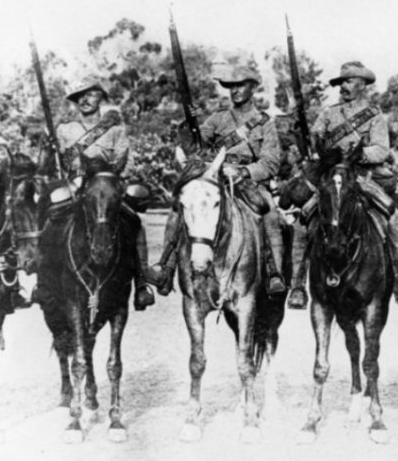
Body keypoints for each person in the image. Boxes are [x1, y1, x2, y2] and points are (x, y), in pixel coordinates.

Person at [286, 61, 398, 308]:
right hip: (332, 176)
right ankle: (298, 285)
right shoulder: (328, 113)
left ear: (362, 85)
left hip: (362, 177)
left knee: (395, 217)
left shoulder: (375, 115)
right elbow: (316, 141)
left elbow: (381, 149)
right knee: (303, 220)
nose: (343, 87)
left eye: (349, 81)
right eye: (342, 82)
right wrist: (305, 132)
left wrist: (358, 154)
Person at [153, 65, 287, 296]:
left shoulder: (265, 123)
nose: (235, 91)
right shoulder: (218, 118)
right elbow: (195, 145)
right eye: (231, 86)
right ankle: (165, 266)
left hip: (247, 180)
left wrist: (244, 172)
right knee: (179, 207)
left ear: (253, 87)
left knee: (270, 211)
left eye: (240, 85)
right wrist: (190, 124)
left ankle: (273, 272)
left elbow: (271, 162)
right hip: (214, 176)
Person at [41, 78, 158, 310]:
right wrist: (48, 147)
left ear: (100, 98)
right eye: (79, 97)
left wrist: (111, 173)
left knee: (134, 220)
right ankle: (43, 280)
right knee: (51, 216)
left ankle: (141, 282)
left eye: (91, 94)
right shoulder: (64, 130)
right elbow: (55, 164)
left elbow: (129, 162)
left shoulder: (115, 129)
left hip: (106, 184)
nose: (84, 100)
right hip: (76, 184)